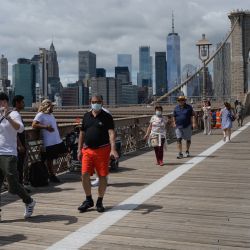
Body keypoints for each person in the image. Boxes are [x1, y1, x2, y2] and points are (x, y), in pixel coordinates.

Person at [77, 94, 119, 213]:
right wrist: (79, 149)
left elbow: (111, 133)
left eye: (98, 102)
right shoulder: (86, 116)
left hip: (102, 150)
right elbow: (82, 133)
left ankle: (100, 201)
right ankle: (88, 199)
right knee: (84, 174)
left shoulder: (107, 117)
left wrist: (113, 149)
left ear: (102, 103)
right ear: (90, 102)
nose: (96, 103)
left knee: (102, 176)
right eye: (94, 101)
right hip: (87, 150)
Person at [0, 92, 36, 219]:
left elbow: (20, 129)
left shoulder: (14, 114)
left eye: (1, 102)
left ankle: (29, 201)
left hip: (9, 153)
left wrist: (7, 117)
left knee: (13, 184)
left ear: (5, 102)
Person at [32, 99, 67, 183]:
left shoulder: (51, 115)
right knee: (50, 159)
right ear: (47, 106)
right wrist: (45, 127)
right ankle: (51, 175)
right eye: (52, 106)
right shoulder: (40, 115)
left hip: (57, 140)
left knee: (63, 153)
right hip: (49, 141)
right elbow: (34, 124)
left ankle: (51, 172)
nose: (53, 107)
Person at [12, 95, 29, 187]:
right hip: (18, 145)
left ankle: (19, 185)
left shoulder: (16, 114)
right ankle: (19, 186)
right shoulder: (15, 115)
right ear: (17, 103)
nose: (24, 104)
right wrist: (19, 145)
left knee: (20, 166)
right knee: (19, 166)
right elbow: (15, 132)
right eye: (22, 102)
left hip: (20, 144)